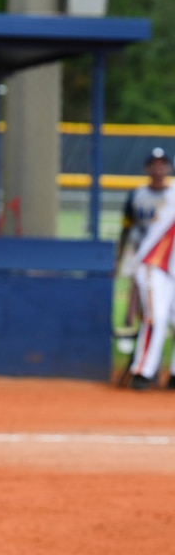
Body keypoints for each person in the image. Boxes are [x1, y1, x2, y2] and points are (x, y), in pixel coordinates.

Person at [115, 148, 171, 350]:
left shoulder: (172, 196)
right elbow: (125, 228)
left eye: (162, 164)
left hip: (165, 256)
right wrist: (119, 257)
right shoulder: (137, 195)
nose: (158, 169)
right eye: (154, 165)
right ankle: (131, 327)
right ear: (147, 169)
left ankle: (151, 335)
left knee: (158, 301)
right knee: (137, 292)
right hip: (139, 251)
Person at [128, 177, 175, 390]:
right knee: (157, 317)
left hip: (171, 269)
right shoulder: (173, 193)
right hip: (154, 263)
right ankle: (143, 372)